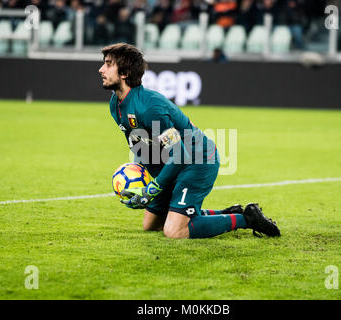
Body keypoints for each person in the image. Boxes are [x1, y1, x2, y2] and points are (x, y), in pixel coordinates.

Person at [98, 43, 280, 239]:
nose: (101, 69)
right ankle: (225, 213)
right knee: (151, 225)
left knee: (175, 231)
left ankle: (247, 219)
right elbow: (140, 145)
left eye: (108, 64)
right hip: (172, 161)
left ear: (124, 73)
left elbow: (180, 154)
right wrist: (140, 177)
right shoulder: (116, 104)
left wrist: (152, 189)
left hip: (197, 159)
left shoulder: (149, 107)